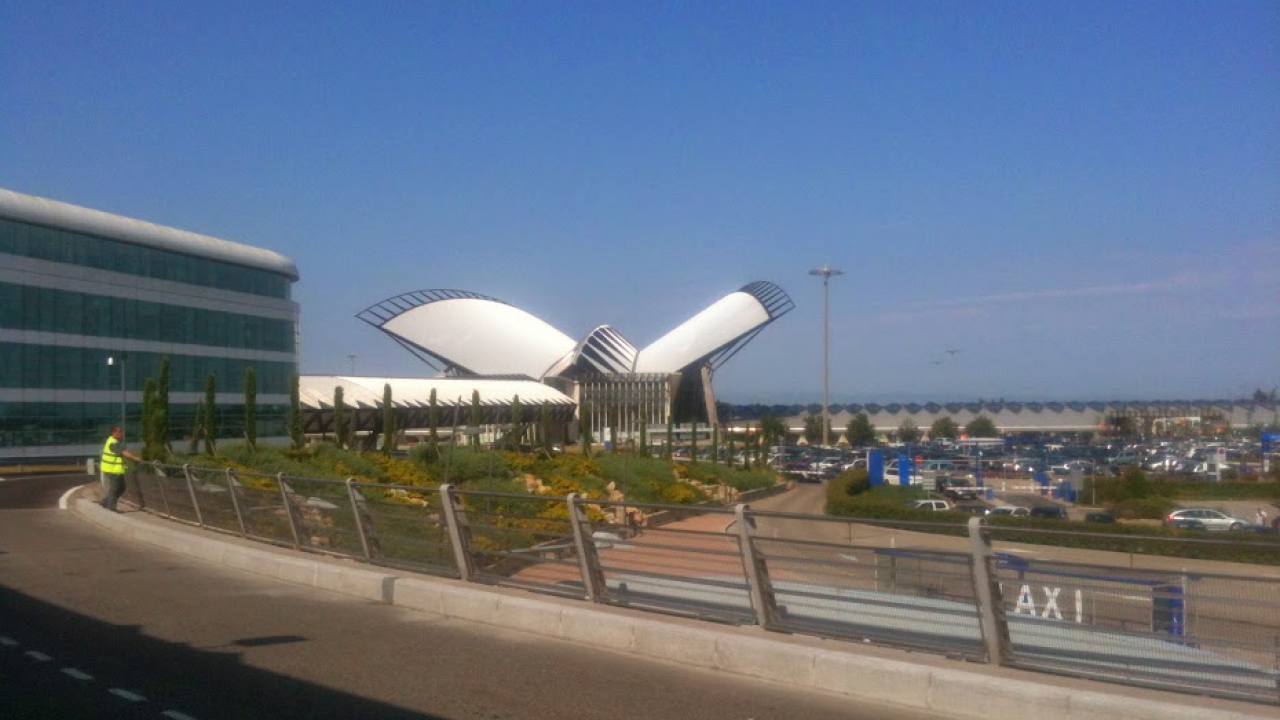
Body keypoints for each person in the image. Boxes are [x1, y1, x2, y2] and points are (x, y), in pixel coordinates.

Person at [100, 425, 143, 512]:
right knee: (114, 488)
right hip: (113, 470)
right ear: (114, 432)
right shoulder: (113, 443)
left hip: (115, 470)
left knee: (122, 487)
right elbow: (124, 452)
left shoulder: (112, 441)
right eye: (119, 432)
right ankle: (111, 507)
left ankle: (105, 501)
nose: (121, 434)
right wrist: (136, 458)